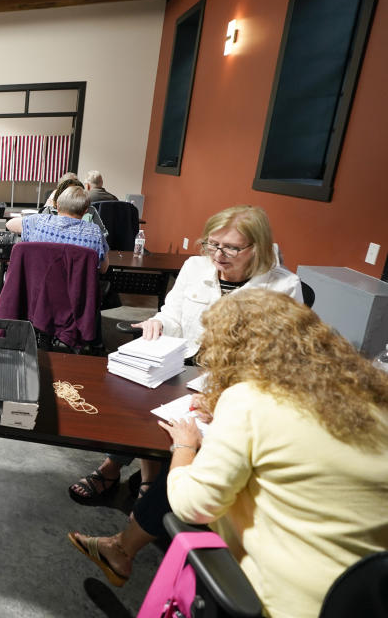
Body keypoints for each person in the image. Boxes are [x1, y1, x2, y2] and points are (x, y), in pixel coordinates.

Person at [71, 290, 388, 612]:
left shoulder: (250, 399)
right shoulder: (369, 398)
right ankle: (121, 547)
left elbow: (193, 506)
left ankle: (122, 548)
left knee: (186, 472)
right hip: (365, 596)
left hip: (276, 599)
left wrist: (184, 445)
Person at [68, 205, 303, 505]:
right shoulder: (195, 267)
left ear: (258, 248)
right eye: (212, 245)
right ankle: (126, 470)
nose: (218, 256)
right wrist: (158, 323)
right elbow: (173, 316)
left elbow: (282, 354)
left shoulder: (283, 285)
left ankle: (140, 478)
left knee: (188, 419)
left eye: (231, 248)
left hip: (238, 378)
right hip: (185, 361)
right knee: (140, 401)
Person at [6, 186, 109, 273]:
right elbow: (103, 268)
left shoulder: (38, 222)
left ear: (57, 206)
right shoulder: (95, 233)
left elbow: (9, 224)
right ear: (85, 211)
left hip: (38, 291)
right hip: (77, 294)